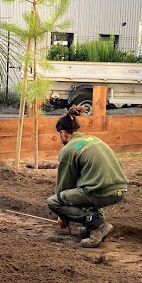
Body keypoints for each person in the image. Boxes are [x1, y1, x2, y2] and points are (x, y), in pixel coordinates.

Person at [46, 105, 128, 248]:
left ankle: (96, 225)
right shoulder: (93, 139)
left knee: (54, 201)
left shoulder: (68, 150)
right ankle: (96, 226)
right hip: (120, 189)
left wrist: (62, 215)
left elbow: (64, 185)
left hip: (102, 191)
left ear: (63, 133)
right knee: (83, 189)